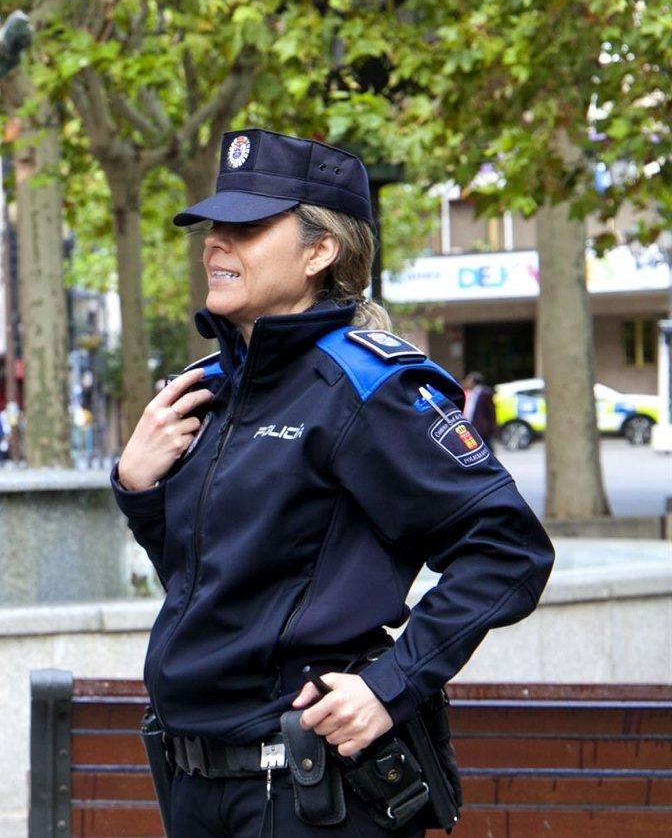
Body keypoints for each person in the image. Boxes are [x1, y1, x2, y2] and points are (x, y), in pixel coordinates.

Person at [112, 129, 554, 837]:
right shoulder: (206, 388)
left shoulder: (367, 385)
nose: (215, 242)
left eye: (247, 228)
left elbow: (509, 550)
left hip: (309, 794)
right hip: (196, 784)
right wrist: (139, 489)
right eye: (213, 227)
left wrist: (389, 685)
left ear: (320, 251)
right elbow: (211, 585)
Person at [461, 371, 497, 447]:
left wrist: (491, 427)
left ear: (473, 382)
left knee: (487, 447)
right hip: (473, 425)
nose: (466, 382)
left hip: (483, 428)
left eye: (468, 380)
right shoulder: (472, 393)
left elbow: (491, 412)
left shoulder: (486, 393)